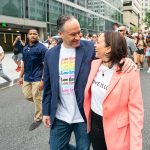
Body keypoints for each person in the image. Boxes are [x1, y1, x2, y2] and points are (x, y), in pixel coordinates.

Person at [42, 15, 137, 150]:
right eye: (73, 34)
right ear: (60, 34)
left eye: (79, 32)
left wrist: (126, 60)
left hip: (83, 116)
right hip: (60, 115)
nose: (78, 36)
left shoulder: (89, 47)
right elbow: (48, 85)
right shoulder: (50, 54)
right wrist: (46, 111)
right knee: (56, 147)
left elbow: (110, 53)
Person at [84, 31, 144, 150]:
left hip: (117, 129)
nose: (94, 44)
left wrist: (136, 146)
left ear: (108, 49)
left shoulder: (129, 71)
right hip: (95, 124)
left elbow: (136, 111)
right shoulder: (94, 64)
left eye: (98, 42)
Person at [18, 29, 48, 131]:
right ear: (27, 36)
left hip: (37, 77)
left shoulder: (42, 49)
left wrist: (43, 80)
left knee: (36, 96)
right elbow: (24, 64)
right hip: (27, 77)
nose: (32, 36)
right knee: (27, 95)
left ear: (38, 36)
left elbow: (46, 66)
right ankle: (42, 103)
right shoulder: (25, 48)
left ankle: (38, 118)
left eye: (34, 34)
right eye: (30, 34)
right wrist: (20, 76)